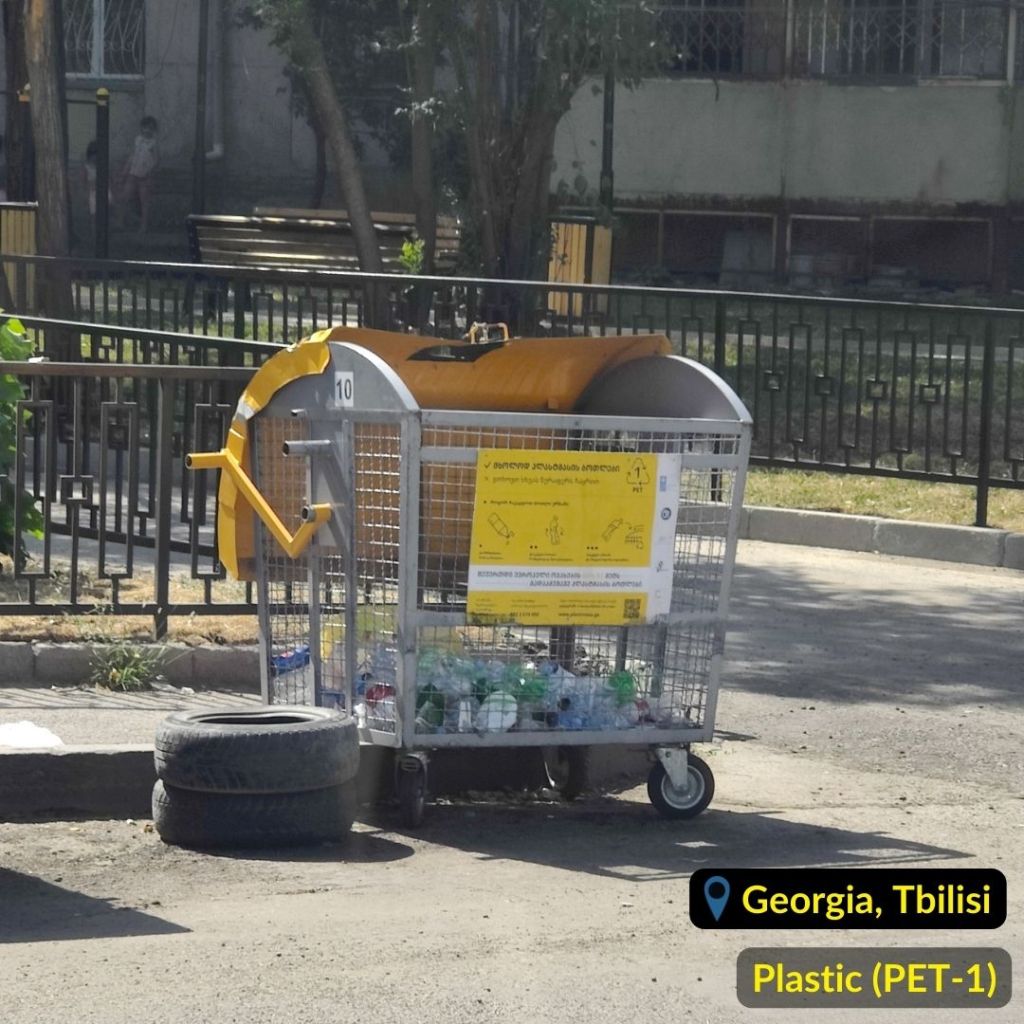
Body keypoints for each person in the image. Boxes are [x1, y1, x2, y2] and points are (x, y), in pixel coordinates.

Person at [120, 115, 159, 234]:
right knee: (125, 197)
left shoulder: (153, 143)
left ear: (154, 130)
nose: (147, 131)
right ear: (141, 128)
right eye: (145, 128)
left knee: (144, 201)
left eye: (150, 128)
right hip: (133, 173)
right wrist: (124, 171)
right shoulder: (137, 140)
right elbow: (132, 156)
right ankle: (120, 221)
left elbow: (156, 160)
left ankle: (143, 226)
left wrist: (149, 172)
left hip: (144, 175)